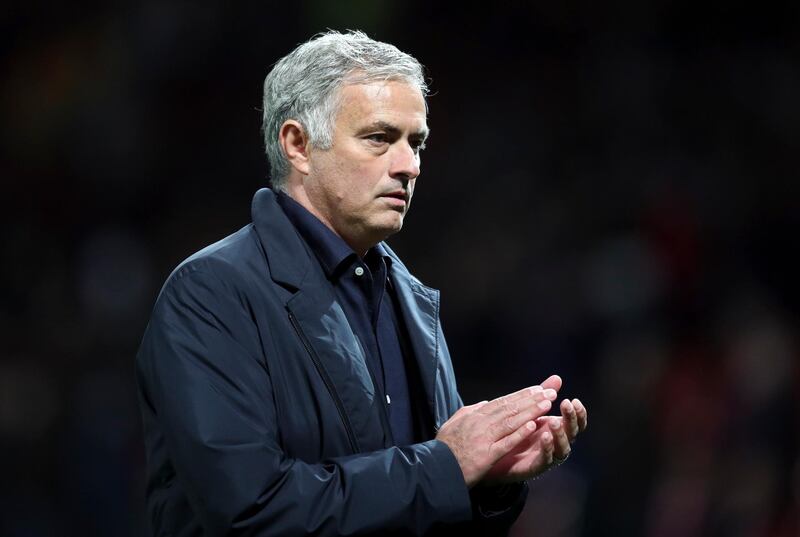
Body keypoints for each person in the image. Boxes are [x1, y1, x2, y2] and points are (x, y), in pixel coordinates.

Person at [136, 30, 588, 536]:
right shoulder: (210, 292)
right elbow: (251, 511)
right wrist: (448, 466)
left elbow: (422, 505)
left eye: (416, 142)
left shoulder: (410, 299)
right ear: (298, 144)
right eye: (379, 138)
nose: (408, 166)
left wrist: (489, 481)